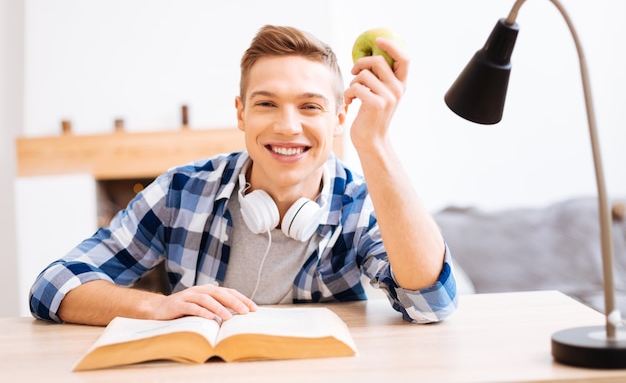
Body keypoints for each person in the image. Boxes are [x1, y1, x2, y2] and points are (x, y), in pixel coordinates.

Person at [29, 25, 458, 326]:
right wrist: (155, 308)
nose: (288, 126)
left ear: (340, 116)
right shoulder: (182, 191)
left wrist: (375, 144)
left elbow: (432, 304)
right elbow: (53, 285)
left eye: (310, 106)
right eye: (267, 103)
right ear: (241, 113)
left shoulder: (361, 202)